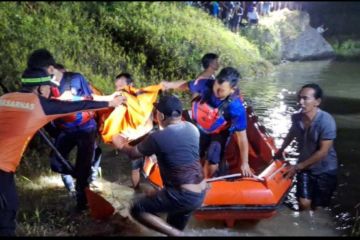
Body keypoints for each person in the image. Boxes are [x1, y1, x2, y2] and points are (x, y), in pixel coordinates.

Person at [0, 48, 125, 236]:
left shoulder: (4, 98)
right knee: (7, 216)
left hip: (82, 131)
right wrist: (109, 103)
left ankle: (81, 187)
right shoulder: (40, 104)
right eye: (49, 87)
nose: (52, 90)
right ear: (41, 88)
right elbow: (76, 106)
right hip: (2, 167)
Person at [112, 94, 207, 236]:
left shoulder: (157, 137)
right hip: (200, 192)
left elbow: (132, 153)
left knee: (137, 208)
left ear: (161, 116)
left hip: (183, 194)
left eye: (156, 112)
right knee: (172, 225)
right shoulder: (192, 128)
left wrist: (119, 143)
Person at [161, 67, 254, 178]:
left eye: (221, 90)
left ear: (232, 90)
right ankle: (193, 174)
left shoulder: (236, 108)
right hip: (200, 127)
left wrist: (245, 163)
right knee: (194, 154)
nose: (216, 92)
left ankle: (208, 180)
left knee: (212, 158)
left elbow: (242, 138)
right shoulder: (204, 84)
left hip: (219, 134)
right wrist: (169, 85)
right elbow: (186, 85)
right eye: (215, 87)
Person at [275, 83, 338, 211]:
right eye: (299, 98)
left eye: (305, 98)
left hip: (325, 170)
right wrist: (281, 149)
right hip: (305, 166)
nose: (300, 102)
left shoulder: (326, 121)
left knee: (319, 208)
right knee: (303, 203)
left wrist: (297, 167)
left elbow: (323, 152)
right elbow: (292, 132)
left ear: (317, 102)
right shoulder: (296, 117)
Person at [48, 64, 103, 196]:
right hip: (66, 131)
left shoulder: (77, 78)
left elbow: (90, 99)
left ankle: (82, 198)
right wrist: (52, 131)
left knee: (85, 163)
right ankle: (78, 175)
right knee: (55, 162)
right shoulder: (48, 87)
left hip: (86, 128)